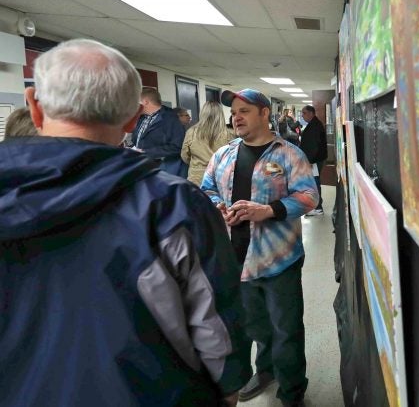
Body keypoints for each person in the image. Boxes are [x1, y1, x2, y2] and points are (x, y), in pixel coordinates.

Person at [0, 39, 250, 407]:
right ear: (134, 118)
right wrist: (228, 389)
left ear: (34, 105)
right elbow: (215, 324)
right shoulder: (174, 205)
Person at [201, 89, 319, 407]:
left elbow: (310, 195)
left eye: (244, 111)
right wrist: (217, 206)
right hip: (236, 257)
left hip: (278, 258)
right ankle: (264, 371)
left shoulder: (289, 154)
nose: (236, 117)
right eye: (234, 112)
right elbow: (207, 188)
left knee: (287, 329)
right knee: (253, 326)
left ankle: (292, 391)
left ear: (265, 113)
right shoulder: (223, 155)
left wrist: (268, 210)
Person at [131, 87, 187, 176]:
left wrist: (146, 152)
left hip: (162, 171)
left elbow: (177, 146)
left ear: (145, 102)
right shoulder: (141, 118)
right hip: (141, 167)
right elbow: (138, 140)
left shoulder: (171, 119)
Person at [181, 100, 235, 186]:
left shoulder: (191, 132)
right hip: (221, 176)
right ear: (220, 115)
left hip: (197, 178)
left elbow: (185, 156)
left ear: (202, 114)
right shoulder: (230, 134)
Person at [299, 105, 327, 216]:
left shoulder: (314, 126)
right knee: (314, 182)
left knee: (314, 183)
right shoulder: (314, 124)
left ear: (311, 113)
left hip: (314, 161)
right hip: (315, 159)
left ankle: (318, 207)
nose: (302, 115)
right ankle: (317, 204)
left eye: (304, 113)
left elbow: (313, 147)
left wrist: (308, 161)